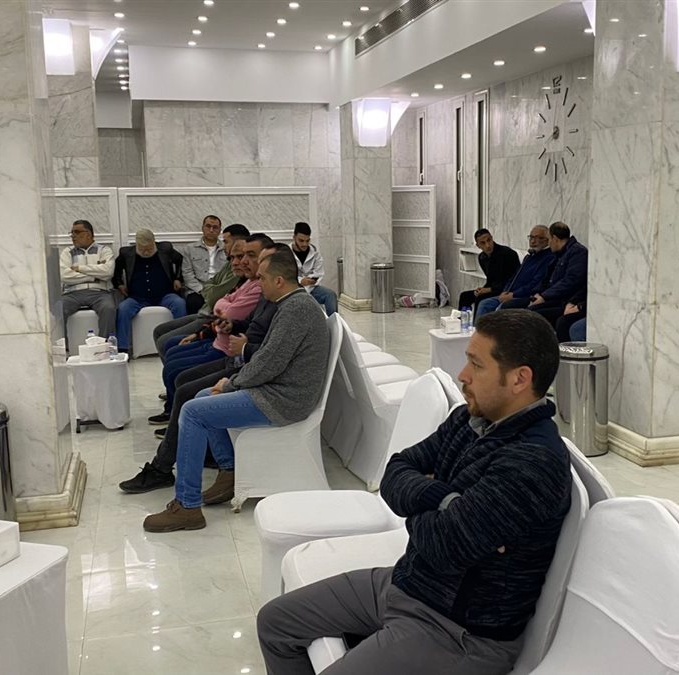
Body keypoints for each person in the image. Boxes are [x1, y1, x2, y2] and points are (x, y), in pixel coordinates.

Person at [257, 310, 571, 675]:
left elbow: (443, 547)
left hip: (458, 632)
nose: (462, 375)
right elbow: (394, 472)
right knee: (275, 623)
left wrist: (424, 505)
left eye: (476, 365)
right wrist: (445, 500)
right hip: (408, 582)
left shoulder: (533, 461)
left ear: (519, 379)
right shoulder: (468, 419)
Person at [142, 247, 330, 530]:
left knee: (193, 412)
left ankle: (187, 506)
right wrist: (231, 383)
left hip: (284, 399)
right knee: (202, 395)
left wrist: (231, 383)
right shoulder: (291, 304)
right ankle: (229, 471)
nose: (259, 283)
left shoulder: (297, 309)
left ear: (279, 281)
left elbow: (268, 363)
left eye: (263, 278)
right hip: (278, 389)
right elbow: (267, 357)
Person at [120, 244, 285, 494]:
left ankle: (166, 471)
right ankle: (203, 463)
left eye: (255, 259)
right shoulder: (268, 296)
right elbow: (238, 316)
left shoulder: (288, 305)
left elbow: (272, 357)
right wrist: (233, 326)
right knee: (183, 378)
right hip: (239, 361)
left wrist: (238, 366)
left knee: (190, 395)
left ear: (279, 276)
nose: (247, 264)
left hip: (250, 373)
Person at [148, 235, 267, 423]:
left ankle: (174, 410)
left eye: (247, 255)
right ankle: (173, 403)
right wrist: (202, 331)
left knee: (173, 364)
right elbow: (216, 298)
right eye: (234, 257)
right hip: (213, 327)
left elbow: (226, 309)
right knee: (170, 349)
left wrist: (220, 310)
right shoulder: (243, 279)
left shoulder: (257, 286)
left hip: (224, 346)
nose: (240, 261)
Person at [153, 223, 251, 362]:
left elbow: (214, 298)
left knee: (166, 342)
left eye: (226, 241)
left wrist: (213, 293)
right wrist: (211, 291)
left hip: (210, 317)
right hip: (205, 311)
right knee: (159, 331)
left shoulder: (241, 270)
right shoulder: (230, 263)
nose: (224, 245)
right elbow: (210, 285)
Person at [500, 222, 587, 328]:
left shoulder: (577, 252)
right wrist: (537, 293)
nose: (549, 243)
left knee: (531, 314)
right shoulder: (559, 254)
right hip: (550, 296)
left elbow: (570, 281)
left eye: (549, 239)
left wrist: (544, 296)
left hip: (563, 299)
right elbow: (546, 279)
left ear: (555, 239)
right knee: (509, 306)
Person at [112, 228, 186, 352]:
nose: (146, 252)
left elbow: (181, 261)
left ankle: (181, 344)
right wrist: (119, 284)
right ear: (137, 244)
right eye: (142, 249)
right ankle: (123, 349)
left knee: (179, 303)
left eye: (149, 249)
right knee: (123, 309)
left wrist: (178, 279)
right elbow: (116, 272)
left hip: (164, 295)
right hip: (137, 297)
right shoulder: (126, 253)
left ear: (154, 242)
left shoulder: (165, 249)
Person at [476, 225, 554, 319]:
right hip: (510, 293)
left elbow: (535, 283)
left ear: (547, 240)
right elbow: (514, 277)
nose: (533, 241)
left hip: (524, 295)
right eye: (531, 237)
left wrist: (513, 294)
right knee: (484, 304)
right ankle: (478, 328)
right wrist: (505, 291)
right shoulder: (529, 257)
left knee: (502, 308)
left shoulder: (548, 258)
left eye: (538, 238)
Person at [58, 219, 117, 339]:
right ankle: (63, 347)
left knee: (109, 308)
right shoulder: (67, 252)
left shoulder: (104, 250)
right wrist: (94, 276)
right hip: (72, 293)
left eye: (77, 232)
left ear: (88, 234)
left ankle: (104, 345)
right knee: (58, 310)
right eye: (72, 233)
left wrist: (79, 268)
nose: (73, 236)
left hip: (99, 293)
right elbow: (64, 276)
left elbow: (107, 272)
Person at [456, 228, 520, 313]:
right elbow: (490, 280)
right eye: (483, 243)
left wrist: (489, 289)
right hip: (494, 289)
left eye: (489, 240)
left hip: (508, 289)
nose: (487, 245)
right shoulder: (482, 257)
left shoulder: (507, 254)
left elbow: (512, 280)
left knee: (480, 299)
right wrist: (481, 290)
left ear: (492, 238)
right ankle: (464, 319)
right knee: (465, 296)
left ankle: (478, 322)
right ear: (478, 245)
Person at [180, 214, 227, 314]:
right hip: (197, 289)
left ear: (220, 231)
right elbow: (187, 274)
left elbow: (230, 272)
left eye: (215, 227)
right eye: (208, 226)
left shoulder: (226, 249)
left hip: (221, 288)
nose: (211, 230)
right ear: (202, 228)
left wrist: (219, 290)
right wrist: (203, 291)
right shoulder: (190, 249)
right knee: (194, 302)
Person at [291, 222, 338, 316]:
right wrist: (301, 281)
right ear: (294, 237)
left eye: (307, 240)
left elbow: (319, 273)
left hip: (312, 288)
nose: (305, 244)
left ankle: (334, 323)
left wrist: (309, 281)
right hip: (293, 289)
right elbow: (286, 274)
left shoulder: (315, 254)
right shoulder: (286, 253)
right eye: (301, 240)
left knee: (330, 295)